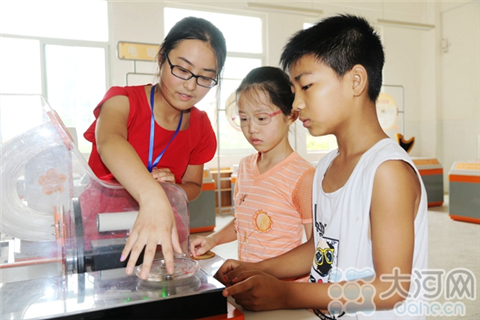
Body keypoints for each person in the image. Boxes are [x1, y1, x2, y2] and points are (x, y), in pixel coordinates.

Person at [215, 14, 428, 319]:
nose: (297, 103)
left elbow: (390, 290)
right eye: (294, 90)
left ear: (355, 80)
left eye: (307, 86)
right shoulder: (326, 165)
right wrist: (257, 269)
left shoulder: (387, 171)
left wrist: (288, 293)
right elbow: (321, 248)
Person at [83, 16, 226, 279]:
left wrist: (173, 188)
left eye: (206, 78)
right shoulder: (121, 101)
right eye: (182, 70)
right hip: (102, 235)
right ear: (162, 58)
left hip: (162, 233)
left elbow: (193, 187)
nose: (191, 85)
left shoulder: (200, 126)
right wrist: (153, 196)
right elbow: (109, 142)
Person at [190, 67, 315, 278]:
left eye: (262, 118)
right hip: (248, 282)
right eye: (244, 119)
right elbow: (243, 222)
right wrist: (213, 239)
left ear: (291, 115)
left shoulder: (304, 176)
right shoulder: (246, 166)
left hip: (284, 287)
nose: (252, 129)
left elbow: (315, 248)